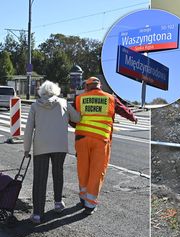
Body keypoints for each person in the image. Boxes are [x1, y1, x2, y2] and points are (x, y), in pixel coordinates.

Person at [74, 76, 137, 215]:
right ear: (99, 86)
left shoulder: (79, 98)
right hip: (101, 140)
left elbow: (72, 116)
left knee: (83, 168)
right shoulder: (110, 98)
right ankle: (90, 204)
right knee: (97, 171)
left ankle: (83, 196)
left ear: (86, 87)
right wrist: (133, 117)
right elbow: (123, 109)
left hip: (81, 139)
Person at [24, 80, 80, 224]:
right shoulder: (63, 102)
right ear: (56, 91)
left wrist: (26, 149)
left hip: (41, 147)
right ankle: (58, 203)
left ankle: (37, 214)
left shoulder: (35, 106)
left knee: (40, 179)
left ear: (41, 92)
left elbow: (29, 129)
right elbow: (77, 118)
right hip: (60, 146)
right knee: (58, 173)